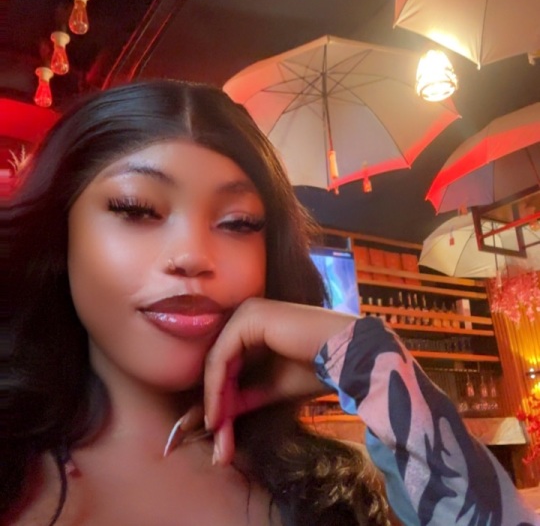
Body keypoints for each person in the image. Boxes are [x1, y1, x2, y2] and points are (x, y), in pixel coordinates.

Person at [1, 80, 537, 526]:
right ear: (59, 236)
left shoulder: (329, 495)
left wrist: (368, 358)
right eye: (137, 209)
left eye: (238, 223)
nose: (193, 255)